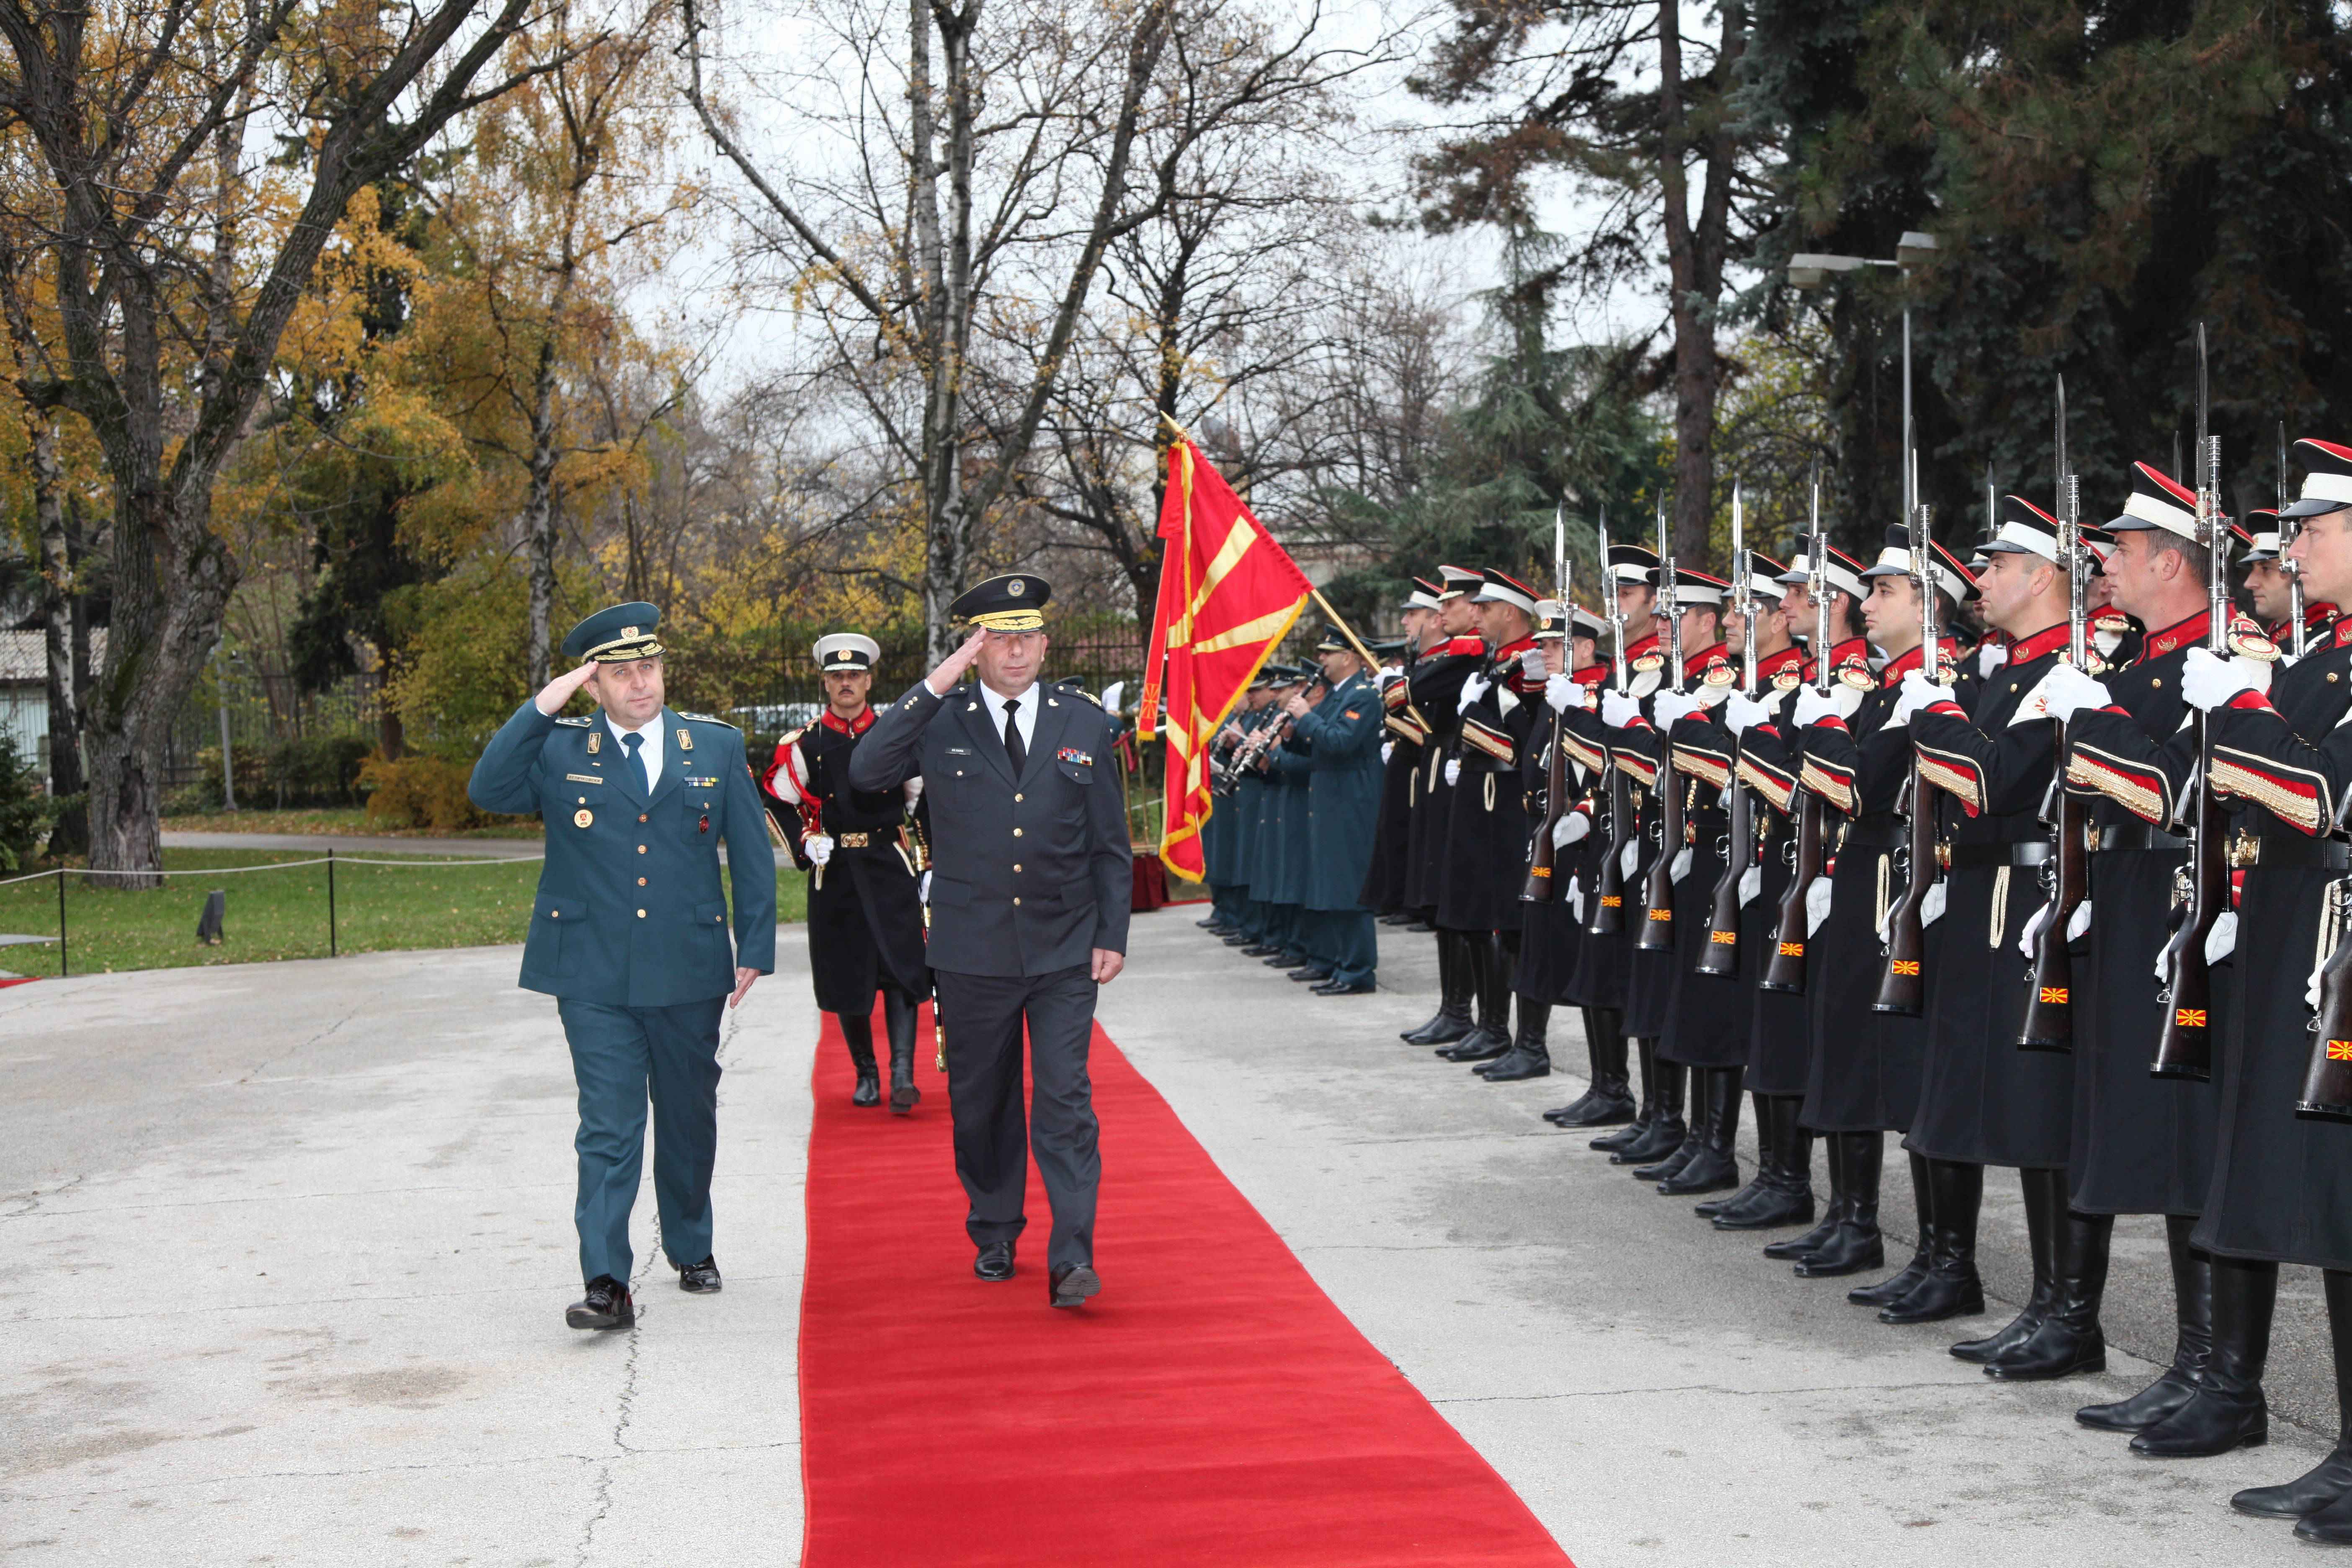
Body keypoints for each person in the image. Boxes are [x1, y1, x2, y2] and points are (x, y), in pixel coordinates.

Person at [467, 602, 776, 1331]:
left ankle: (691, 1243)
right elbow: (487, 786)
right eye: (621, 672)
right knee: (607, 1124)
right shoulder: (560, 749)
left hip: (689, 965)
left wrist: (755, 945)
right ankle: (606, 1279)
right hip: (592, 971)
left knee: (687, 1114)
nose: (641, 683)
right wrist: (545, 702)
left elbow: (751, 853)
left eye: (650, 667)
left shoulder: (714, 746)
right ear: (593, 684)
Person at [847, 572, 1131, 1310]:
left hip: (1064, 942)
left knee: (1066, 1097)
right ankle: (996, 1226)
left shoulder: (1082, 720)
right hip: (972, 947)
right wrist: (936, 680)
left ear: (1045, 641)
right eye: (998, 637)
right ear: (975, 647)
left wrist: (1113, 929)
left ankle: (1072, 1256)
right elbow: (867, 768)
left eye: (1027, 635)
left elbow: (1110, 840)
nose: (1015, 650)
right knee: (981, 1100)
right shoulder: (943, 717)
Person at [763, 632, 932, 1113]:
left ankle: (903, 1073)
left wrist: (930, 862)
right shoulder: (806, 743)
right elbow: (779, 797)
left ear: (868, 680)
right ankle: (867, 1073)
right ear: (825, 683)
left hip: (888, 864)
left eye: (854, 676)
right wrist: (804, 840)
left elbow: (922, 801)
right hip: (834, 872)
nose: (846, 684)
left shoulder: (895, 736)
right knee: (848, 973)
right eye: (837, 677)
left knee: (901, 969)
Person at [1280, 627, 1387, 995]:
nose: (1321, 660)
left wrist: (1306, 718)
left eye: (1328, 653)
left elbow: (1340, 743)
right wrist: (1291, 736)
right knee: (1330, 886)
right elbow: (1316, 749)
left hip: (1350, 803)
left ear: (1349, 658)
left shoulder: (1362, 697)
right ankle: (1337, 963)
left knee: (1349, 889)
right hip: (1329, 802)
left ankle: (1357, 970)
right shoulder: (1336, 697)